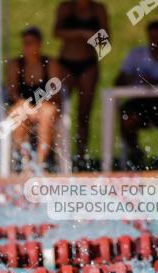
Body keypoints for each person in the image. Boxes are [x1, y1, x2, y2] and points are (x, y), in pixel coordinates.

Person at [116, 21, 158, 168]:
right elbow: (118, 81)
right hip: (140, 103)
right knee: (125, 115)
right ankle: (134, 151)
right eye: (152, 38)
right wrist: (135, 78)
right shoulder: (136, 55)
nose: (155, 42)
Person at [54, 0, 109, 161]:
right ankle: (55, 154)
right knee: (58, 109)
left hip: (88, 64)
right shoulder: (65, 7)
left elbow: (105, 43)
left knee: (84, 113)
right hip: (66, 63)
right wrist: (82, 33)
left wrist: (86, 36)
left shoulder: (98, 10)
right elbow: (56, 32)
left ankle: (81, 154)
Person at [6, 27, 63, 170]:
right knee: (18, 114)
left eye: (31, 43)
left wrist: (40, 106)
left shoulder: (50, 64)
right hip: (23, 104)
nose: (27, 47)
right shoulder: (15, 65)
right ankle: (25, 160)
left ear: (39, 44)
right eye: (25, 43)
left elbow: (55, 92)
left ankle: (40, 161)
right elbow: (12, 93)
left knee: (47, 114)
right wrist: (25, 105)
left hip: (46, 103)